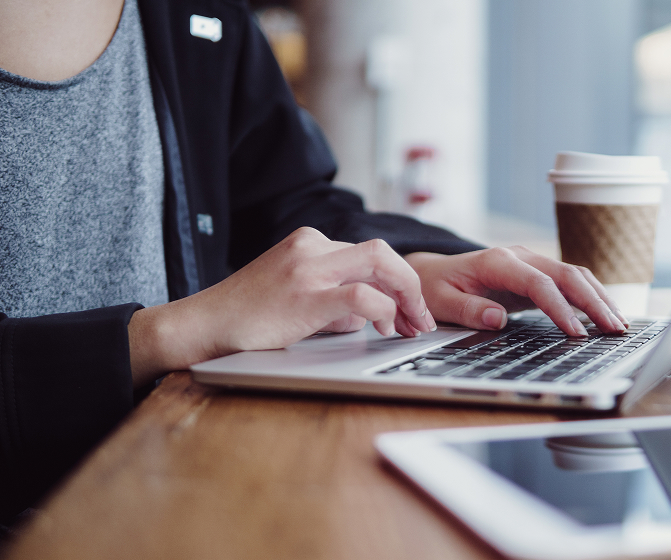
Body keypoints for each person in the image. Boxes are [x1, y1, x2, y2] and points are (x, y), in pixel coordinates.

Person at [0, 0, 627, 525]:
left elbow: (287, 200)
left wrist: (413, 265)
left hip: (174, 486)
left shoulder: (196, 12)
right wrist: (174, 331)